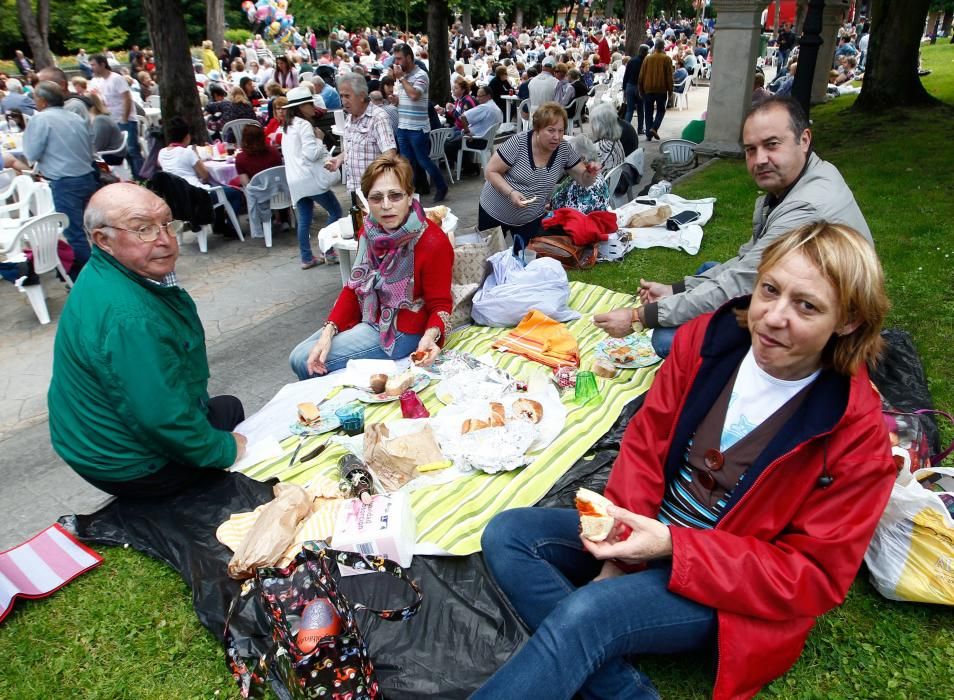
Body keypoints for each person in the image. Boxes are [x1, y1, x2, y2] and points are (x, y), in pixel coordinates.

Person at [477, 222, 895, 700]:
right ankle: (617, 678)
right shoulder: (706, 343)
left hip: (725, 585)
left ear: (848, 321)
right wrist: (622, 536)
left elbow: (813, 577)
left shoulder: (855, 433)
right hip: (648, 527)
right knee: (506, 534)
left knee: (590, 611)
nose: (773, 318)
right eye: (769, 290)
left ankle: (596, 629)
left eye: (806, 306)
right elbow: (645, 440)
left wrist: (675, 547)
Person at [594, 96, 872, 358]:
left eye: (772, 144)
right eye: (751, 149)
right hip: (793, 299)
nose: (760, 159)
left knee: (665, 339)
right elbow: (747, 263)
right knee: (707, 273)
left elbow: (740, 282)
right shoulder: (807, 175)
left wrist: (639, 318)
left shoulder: (805, 209)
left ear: (804, 140)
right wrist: (676, 289)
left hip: (820, 337)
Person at [48, 183, 247, 498]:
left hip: (95, 444)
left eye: (167, 223)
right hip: (127, 465)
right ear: (103, 239)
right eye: (143, 229)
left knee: (223, 408)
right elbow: (161, 417)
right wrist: (223, 450)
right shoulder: (129, 318)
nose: (165, 240)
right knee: (231, 419)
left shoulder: (109, 271)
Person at [289, 154, 453, 379]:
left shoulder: (433, 241)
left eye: (395, 196)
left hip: (403, 329)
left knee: (301, 359)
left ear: (409, 196)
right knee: (302, 355)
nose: (386, 206)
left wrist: (431, 336)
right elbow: (354, 287)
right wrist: (329, 331)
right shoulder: (369, 232)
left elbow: (441, 303)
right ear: (366, 201)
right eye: (376, 198)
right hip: (370, 315)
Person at [478, 102, 598, 249]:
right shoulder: (519, 143)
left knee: (524, 260)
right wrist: (511, 193)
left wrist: (590, 174)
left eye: (561, 131)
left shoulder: (563, 150)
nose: (557, 137)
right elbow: (490, 171)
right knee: (489, 257)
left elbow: (584, 180)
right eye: (551, 130)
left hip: (530, 218)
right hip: (494, 211)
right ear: (537, 129)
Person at [21, 81, 100, 277]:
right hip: (86, 175)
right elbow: (90, 147)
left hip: (65, 180)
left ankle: (91, 276)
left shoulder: (41, 120)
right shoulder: (75, 117)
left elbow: (31, 152)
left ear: (42, 100)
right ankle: (99, 269)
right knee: (91, 228)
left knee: (75, 232)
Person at [281, 86, 342, 268]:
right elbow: (311, 154)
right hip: (310, 179)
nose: (312, 107)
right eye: (309, 103)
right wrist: (319, 138)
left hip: (295, 180)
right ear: (301, 107)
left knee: (304, 220)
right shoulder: (305, 125)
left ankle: (307, 257)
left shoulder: (286, 127)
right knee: (335, 211)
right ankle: (328, 251)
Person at [156, 116, 246, 226]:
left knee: (216, 189)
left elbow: (163, 166)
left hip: (177, 200)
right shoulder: (187, 153)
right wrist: (197, 158)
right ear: (187, 137)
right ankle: (231, 227)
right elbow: (205, 175)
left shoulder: (161, 153)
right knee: (235, 193)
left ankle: (219, 225)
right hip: (197, 197)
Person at [392, 43, 448, 203]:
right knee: (406, 164)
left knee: (423, 161)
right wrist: (396, 101)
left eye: (399, 58)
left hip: (417, 128)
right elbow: (407, 98)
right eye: (395, 58)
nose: (396, 62)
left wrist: (402, 79)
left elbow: (415, 95)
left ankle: (441, 186)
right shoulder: (403, 77)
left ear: (409, 58)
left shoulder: (421, 75)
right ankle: (410, 194)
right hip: (403, 126)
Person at [324, 73, 396, 195]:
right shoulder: (349, 117)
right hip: (354, 190)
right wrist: (339, 159)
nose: (343, 101)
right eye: (341, 96)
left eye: (347, 96)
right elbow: (354, 147)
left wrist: (372, 180)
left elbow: (390, 154)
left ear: (362, 96)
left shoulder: (378, 117)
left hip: (373, 192)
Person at [550, 103, 624, 214]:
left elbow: (581, 167)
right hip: (606, 186)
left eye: (592, 123)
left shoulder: (600, 149)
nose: (591, 126)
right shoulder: (616, 141)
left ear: (599, 125)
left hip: (595, 193)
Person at [89, 54, 142, 179]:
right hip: (112, 121)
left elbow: (127, 98)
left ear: (102, 64)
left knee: (132, 151)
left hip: (125, 120)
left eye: (93, 65)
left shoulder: (116, 78)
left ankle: (141, 178)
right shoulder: (100, 81)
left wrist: (124, 118)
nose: (92, 68)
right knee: (121, 151)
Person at [445, 85, 503, 175]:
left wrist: (467, 132)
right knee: (453, 136)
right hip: (487, 139)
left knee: (446, 146)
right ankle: (468, 166)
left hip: (477, 139)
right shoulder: (496, 108)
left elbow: (463, 116)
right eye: (477, 95)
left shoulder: (484, 107)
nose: (477, 98)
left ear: (488, 96)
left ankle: (470, 167)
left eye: (480, 96)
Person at [638, 39, 673, 140]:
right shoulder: (666, 59)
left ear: (655, 46)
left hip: (648, 88)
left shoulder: (647, 59)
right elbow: (669, 77)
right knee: (661, 110)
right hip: (661, 89)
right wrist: (670, 91)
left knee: (648, 111)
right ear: (663, 47)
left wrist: (640, 89)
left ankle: (649, 135)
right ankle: (654, 127)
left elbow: (641, 76)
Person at [87, 93, 126, 164]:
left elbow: (98, 145)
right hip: (113, 153)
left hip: (112, 155)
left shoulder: (100, 120)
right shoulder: (101, 117)